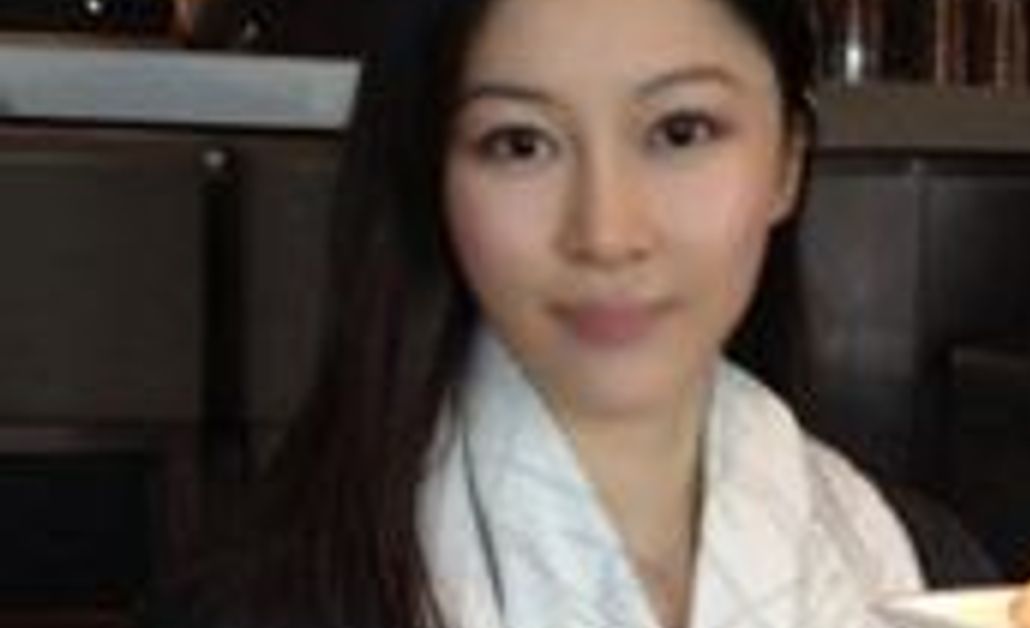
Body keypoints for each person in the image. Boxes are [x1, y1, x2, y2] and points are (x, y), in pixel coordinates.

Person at [157, 0, 925, 627]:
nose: (606, 234)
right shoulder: (263, 602)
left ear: (787, 160)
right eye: (520, 144)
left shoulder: (897, 565)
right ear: (433, 176)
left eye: (680, 132)